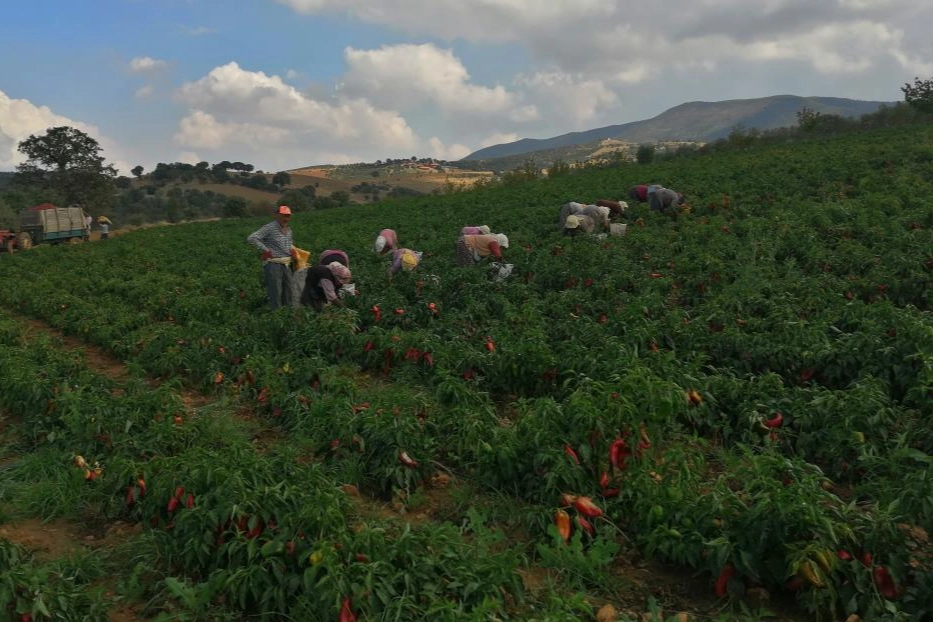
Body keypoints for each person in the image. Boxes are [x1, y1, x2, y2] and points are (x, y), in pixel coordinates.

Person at [247, 205, 297, 310]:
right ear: (278, 216)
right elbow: (252, 238)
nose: (286, 219)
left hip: (287, 263)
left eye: (288, 216)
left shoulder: (288, 230)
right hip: (273, 263)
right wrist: (265, 250)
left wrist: (292, 251)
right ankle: (276, 314)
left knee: (288, 289)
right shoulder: (270, 228)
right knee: (276, 290)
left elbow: (288, 244)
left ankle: (288, 313)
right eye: (284, 216)